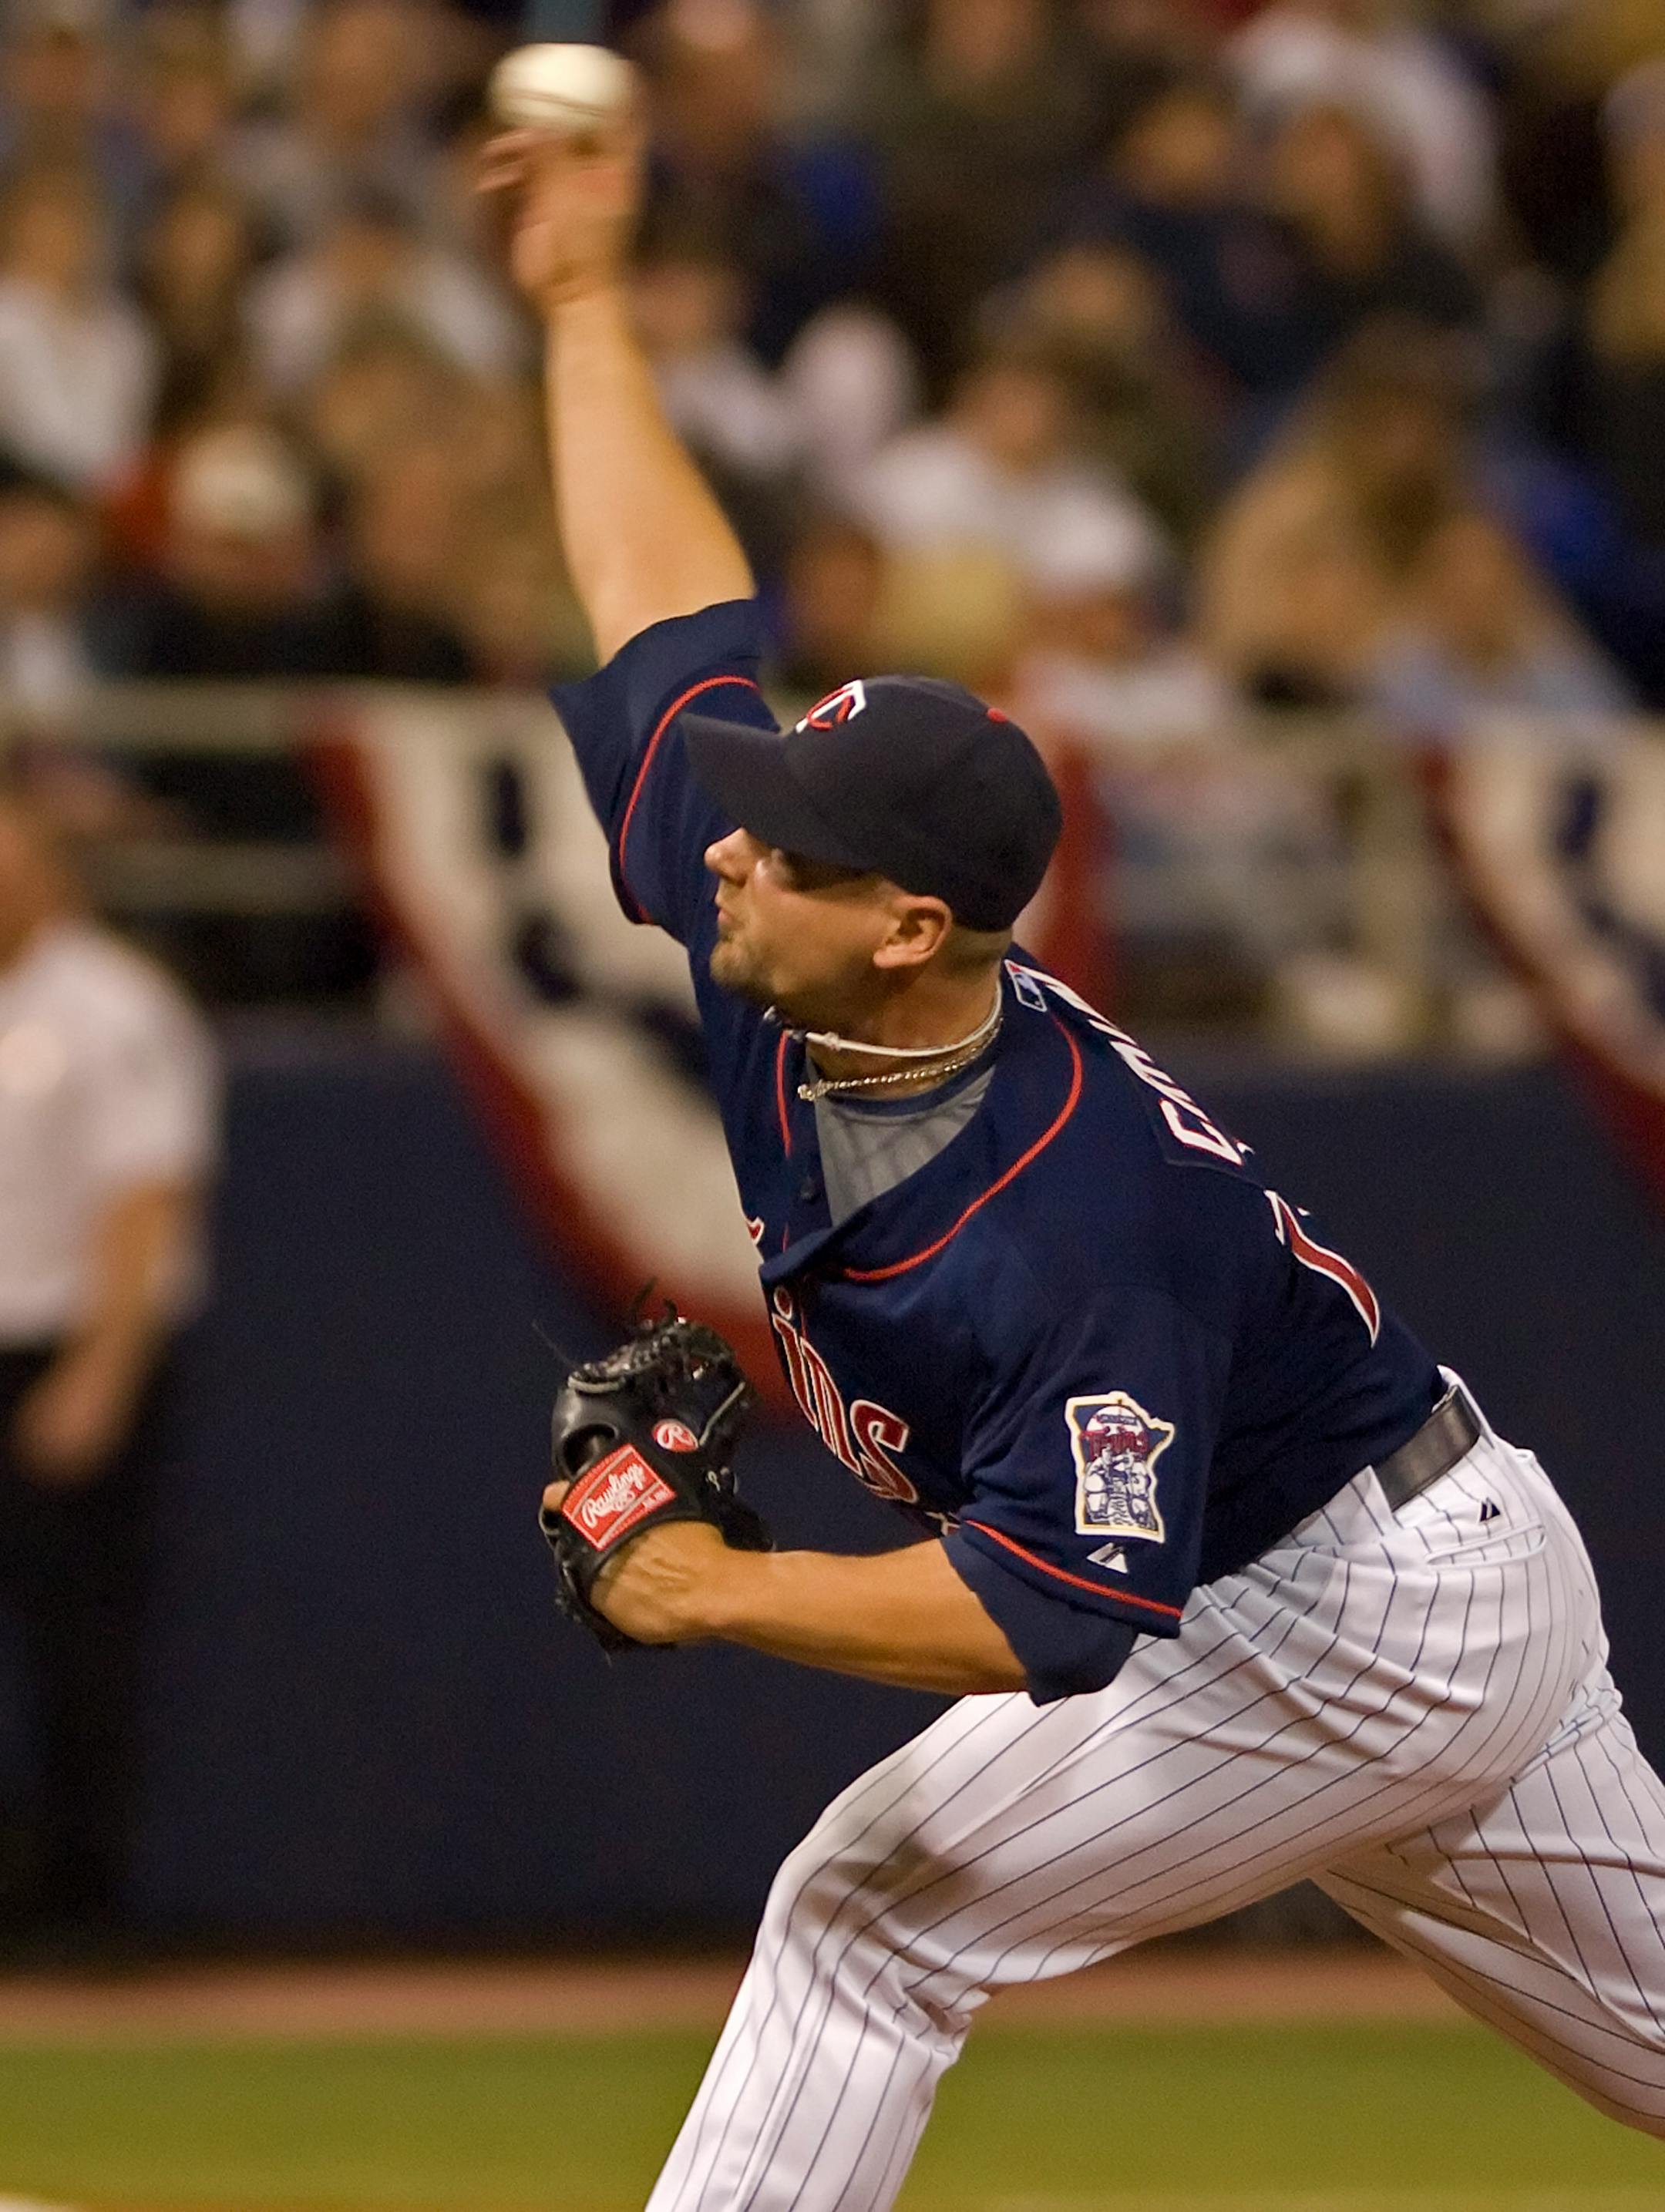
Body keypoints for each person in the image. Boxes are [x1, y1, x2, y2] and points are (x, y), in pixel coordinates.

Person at [483, 123, 1665, 2207]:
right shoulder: (788, 942)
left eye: (789, 836)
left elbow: (1055, 1606)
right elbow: (667, 605)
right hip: (1413, 1548)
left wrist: (716, 1590)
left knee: (871, 1908)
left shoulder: (1068, 1212)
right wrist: (583, 306)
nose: (726, 844)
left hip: (1354, 1615)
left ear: (911, 924)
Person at [0, 782, 218, 1950]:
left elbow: (147, 1198)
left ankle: (83, 1906)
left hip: (62, 1346)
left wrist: (101, 1370)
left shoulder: (111, 1005)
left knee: (79, 1639)